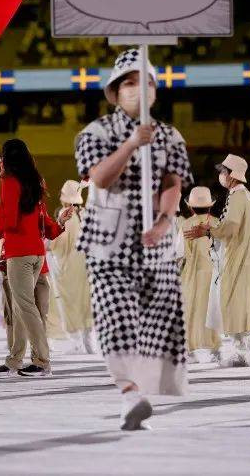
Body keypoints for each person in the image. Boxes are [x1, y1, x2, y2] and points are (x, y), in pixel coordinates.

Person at [76, 48, 193, 430]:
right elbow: (99, 178)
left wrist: (163, 221)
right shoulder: (94, 133)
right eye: (128, 82)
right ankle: (129, 394)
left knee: (159, 323)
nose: (136, 89)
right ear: (114, 91)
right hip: (108, 239)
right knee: (116, 318)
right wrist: (130, 144)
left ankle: (142, 385)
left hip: (152, 242)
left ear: (155, 90)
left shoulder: (171, 136)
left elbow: (173, 183)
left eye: (143, 81)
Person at [186, 154, 250, 367]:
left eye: (223, 171)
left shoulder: (238, 196)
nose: (220, 175)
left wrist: (208, 230)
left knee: (231, 303)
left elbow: (231, 227)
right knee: (238, 304)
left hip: (238, 258)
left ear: (232, 175)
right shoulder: (245, 196)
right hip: (243, 257)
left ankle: (241, 353)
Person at [0, 138, 53, 377]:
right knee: (23, 307)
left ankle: (41, 360)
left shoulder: (10, 181)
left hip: (19, 252)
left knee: (24, 306)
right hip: (36, 252)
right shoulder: (34, 180)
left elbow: (8, 221)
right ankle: (15, 359)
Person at [49, 180, 94, 354]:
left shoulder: (65, 214)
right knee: (85, 302)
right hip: (86, 263)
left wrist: (48, 243)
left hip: (69, 264)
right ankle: (88, 342)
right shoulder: (84, 213)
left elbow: (58, 241)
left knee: (70, 302)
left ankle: (78, 343)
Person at [179, 186, 220, 362]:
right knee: (212, 311)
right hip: (215, 273)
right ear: (210, 206)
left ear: (190, 207)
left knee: (190, 311)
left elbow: (180, 253)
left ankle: (190, 351)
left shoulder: (186, 224)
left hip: (192, 273)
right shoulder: (217, 223)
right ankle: (215, 350)